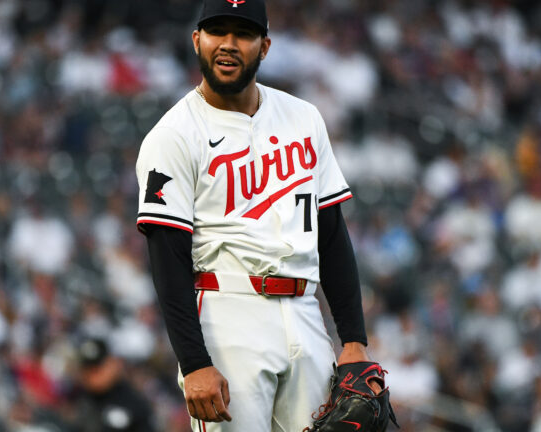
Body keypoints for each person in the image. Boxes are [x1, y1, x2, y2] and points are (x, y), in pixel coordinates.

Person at [135, 0, 380, 430]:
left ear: (264, 46)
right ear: (196, 40)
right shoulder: (173, 136)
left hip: (305, 313)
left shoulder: (304, 118)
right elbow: (167, 259)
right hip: (229, 312)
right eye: (217, 31)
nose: (228, 44)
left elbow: (332, 234)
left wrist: (354, 340)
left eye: (243, 33)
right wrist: (194, 362)